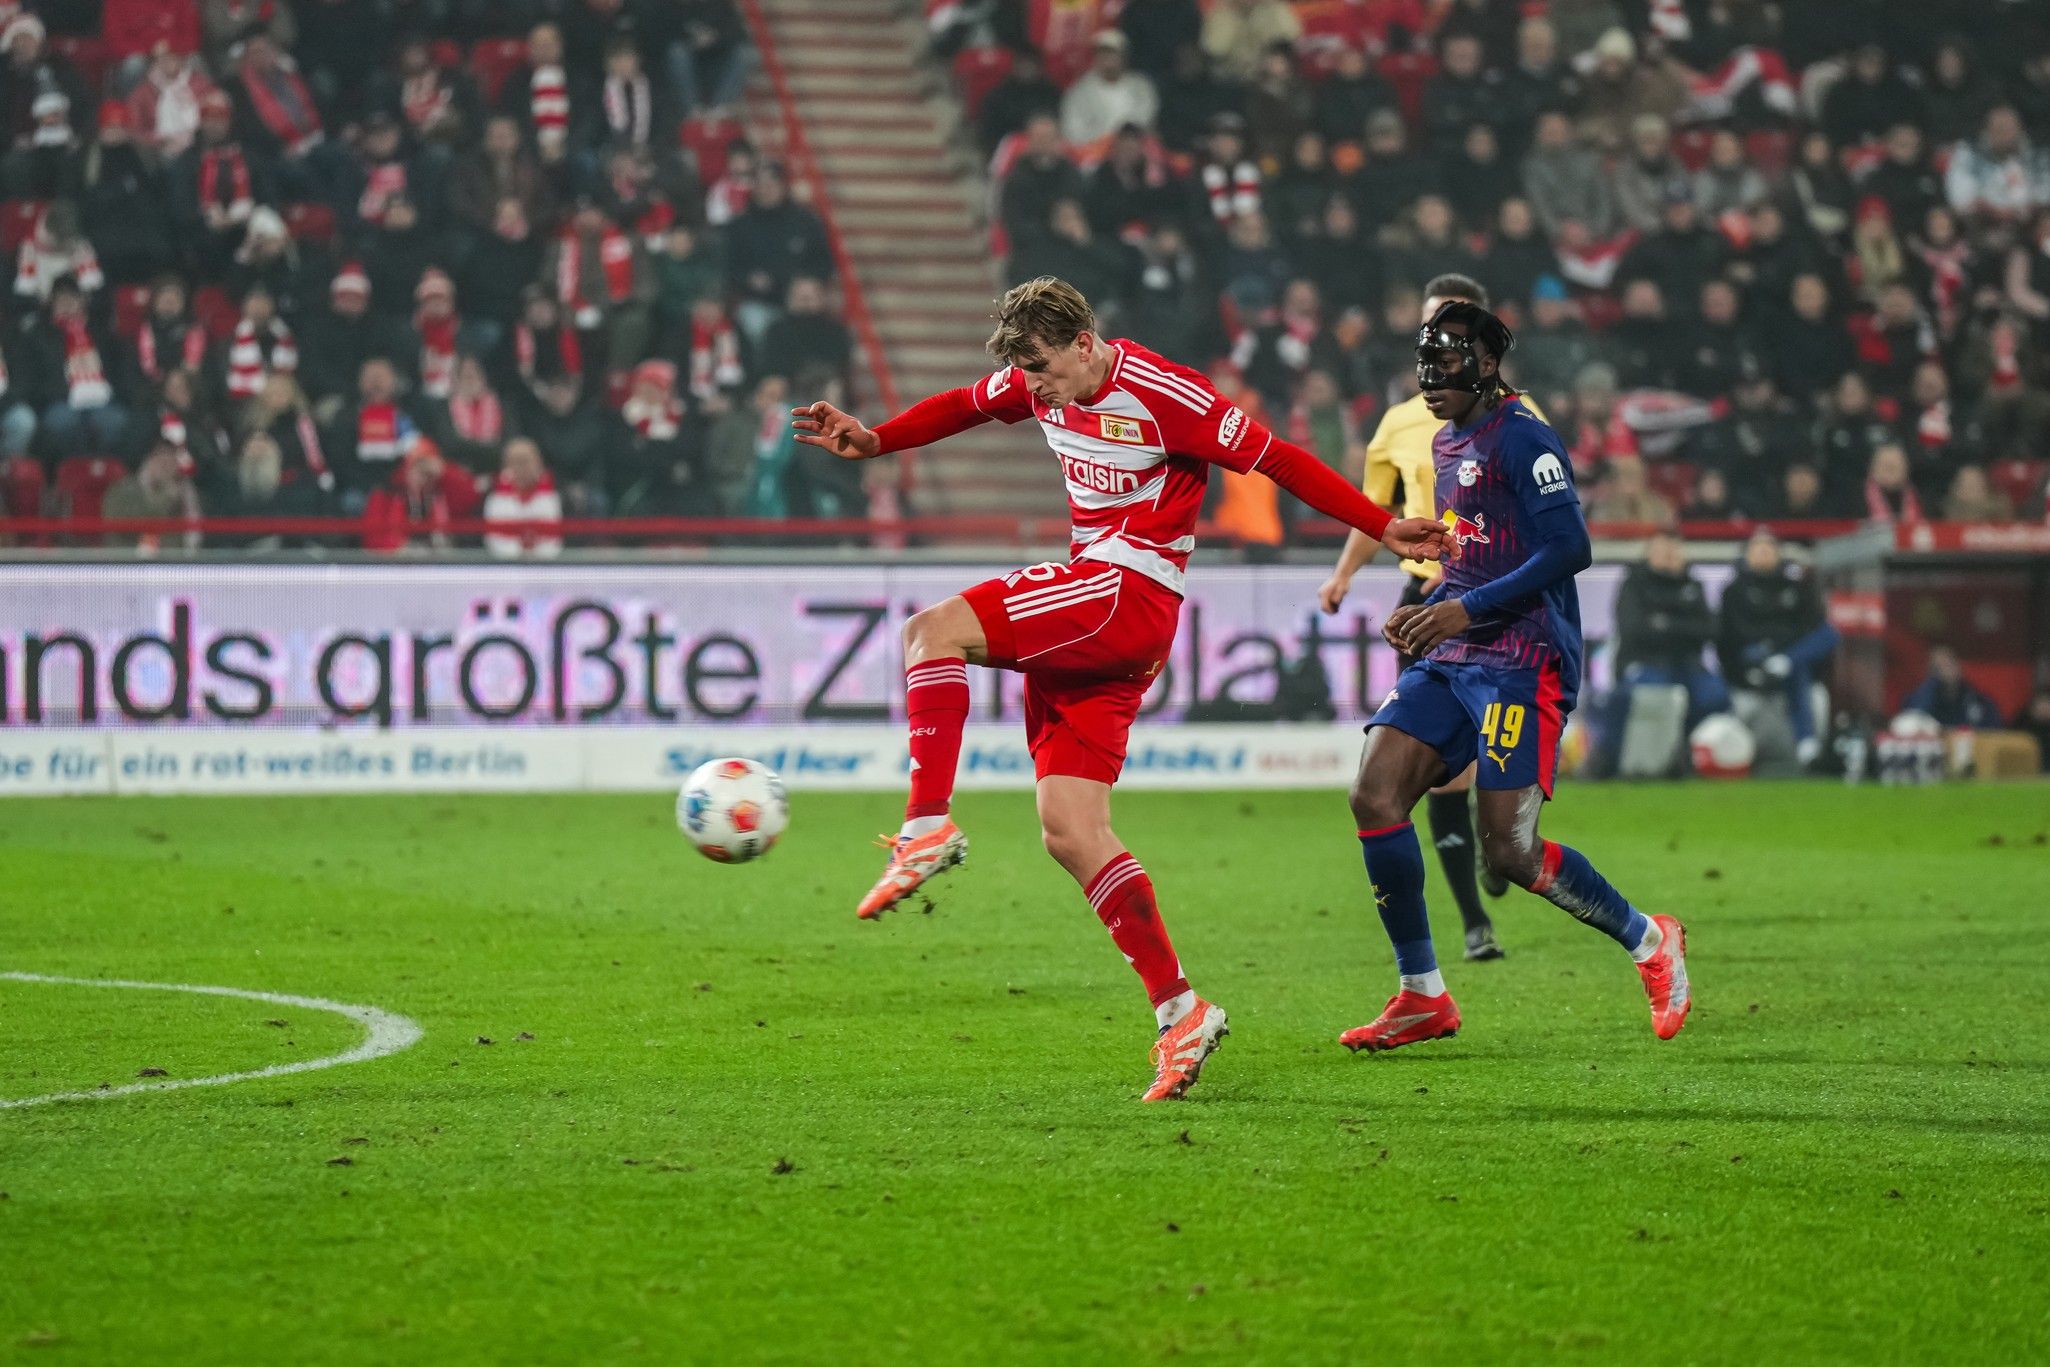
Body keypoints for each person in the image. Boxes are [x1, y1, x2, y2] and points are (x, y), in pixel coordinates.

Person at [789, 276, 1450, 1102]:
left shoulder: (1165, 391)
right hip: (1108, 624)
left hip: (1122, 591)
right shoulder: (1040, 382)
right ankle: (1182, 1011)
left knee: (932, 631)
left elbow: (1276, 457)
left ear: (1081, 341)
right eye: (1023, 370)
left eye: (1040, 366)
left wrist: (1379, 524)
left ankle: (925, 823)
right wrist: (876, 440)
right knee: (1070, 828)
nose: (1032, 385)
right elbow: (965, 402)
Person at [1342, 299, 1694, 1055]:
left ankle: (1649, 940)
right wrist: (1431, 603)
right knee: (1373, 794)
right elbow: (1479, 558)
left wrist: (1461, 608)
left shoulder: (1526, 438)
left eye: (1448, 365)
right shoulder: (1444, 444)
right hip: (1457, 654)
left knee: (1510, 850)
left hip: (1522, 663)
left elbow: (1569, 547)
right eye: (1424, 367)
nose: (1432, 380)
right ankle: (1421, 994)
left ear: (1490, 363)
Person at [1318, 275, 1521, 962]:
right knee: (1442, 772)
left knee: (1495, 759)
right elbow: (1375, 512)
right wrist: (1345, 573)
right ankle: (1473, 920)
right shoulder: (1400, 422)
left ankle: (1506, 840)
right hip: (1426, 598)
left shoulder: (1519, 417)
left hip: (1492, 601)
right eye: (1432, 327)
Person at [1716, 528, 1840, 766]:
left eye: (1769, 547)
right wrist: (1776, 648)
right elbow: (1733, 636)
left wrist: (1787, 655)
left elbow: (1811, 628)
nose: (1764, 552)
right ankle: (1806, 742)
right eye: (1757, 547)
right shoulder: (1734, 591)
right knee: (1795, 667)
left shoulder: (1796, 588)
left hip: (1789, 656)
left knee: (1827, 636)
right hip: (1753, 659)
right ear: (1747, 555)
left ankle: (1787, 662)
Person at [1900, 645, 2003, 730]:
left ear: (1959, 665)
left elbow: (1996, 736)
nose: (1946, 669)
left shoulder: (1980, 702)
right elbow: (1910, 723)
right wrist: (1931, 685)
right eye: (1938, 667)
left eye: (1949, 663)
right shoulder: (1919, 699)